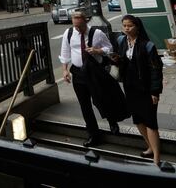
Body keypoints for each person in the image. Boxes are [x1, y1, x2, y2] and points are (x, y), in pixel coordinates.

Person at [59, 10, 121, 146]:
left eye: (80, 26)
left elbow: (109, 48)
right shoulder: (69, 33)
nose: (78, 29)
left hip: (94, 72)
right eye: (75, 26)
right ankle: (93, 134)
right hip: (78, 73)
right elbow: (65, 52)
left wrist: (97, 50)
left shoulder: (97, 33)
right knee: (84, 105)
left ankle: (112, 121)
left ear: (85, 22)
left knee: (100, 99)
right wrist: (64, 70)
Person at [111, 15, 163, 164]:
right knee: (138, 120)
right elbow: (121, 60)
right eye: (124, 26)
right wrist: (113, 59)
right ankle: (150, 147)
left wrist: (155, 91)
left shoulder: (148, 45)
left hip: (145, 89)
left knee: (150, 122)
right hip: (130, 86)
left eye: (130, 26)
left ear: (137, 27)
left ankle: (157, 156)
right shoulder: (121, 41)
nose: (127, 28)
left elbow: (156, 69)